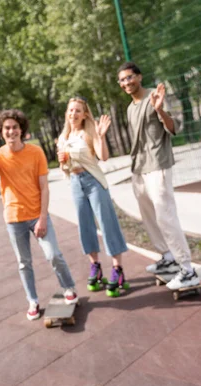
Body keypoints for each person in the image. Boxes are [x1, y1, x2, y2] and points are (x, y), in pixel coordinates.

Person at [0, 109, 78, 320]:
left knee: (53, 254)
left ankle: (68, 287)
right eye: (7, 128)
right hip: (13, 218)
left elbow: (44, 188)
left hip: (36, 214)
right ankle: (33, 300)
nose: (11, 131)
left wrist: (42, 218)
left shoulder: (36, 152)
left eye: (14, 127)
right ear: (1, 132)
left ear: (21, 130)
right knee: (24, 263)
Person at [117, 61, 200, 290]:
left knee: (166, 217)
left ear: (139, 77)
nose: (126, 82)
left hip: (158, 165)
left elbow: (173, 128)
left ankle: (187, 269)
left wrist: (160, 109)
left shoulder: (155, 96)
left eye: (129, 77)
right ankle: (168, 257)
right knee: (149, 216)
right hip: (139, 168)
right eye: (122, 80)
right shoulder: (130, 107)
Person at [57, 97, 129, 297]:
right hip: (75, 182)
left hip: (94, 182)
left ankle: (117, 269)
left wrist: (101, 137)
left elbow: (103, 157)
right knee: (85, 225)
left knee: (107, 223)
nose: (74, 114)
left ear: (85, 114)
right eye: (71, 110)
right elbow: (64, 167)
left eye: (78, 110)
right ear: (67, 113)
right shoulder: (63, 137)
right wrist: (61, 162)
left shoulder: (88, 133)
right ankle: (95, 266)